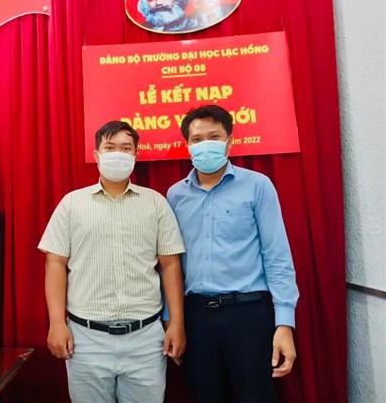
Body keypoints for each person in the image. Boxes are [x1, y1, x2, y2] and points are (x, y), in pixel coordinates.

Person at [39, 121, 186, 403]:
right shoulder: (71, 204)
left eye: (125, 148)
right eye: (109, 147)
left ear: (136, 155)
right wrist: (56, 323)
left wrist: (176, 324)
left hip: (145, 338)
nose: (117, 154)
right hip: (86, 338)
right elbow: (55, 263)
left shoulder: (156, 203)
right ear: (96, 155)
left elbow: (170, 265)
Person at [165, 105, 299, 403]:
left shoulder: (257, 186)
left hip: (248, 315)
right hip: (196, 318)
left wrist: (284, 323)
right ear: (187, 145)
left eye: (214, 137)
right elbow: (169, 263)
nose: (205, 144)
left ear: (229, 141)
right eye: (197, 139)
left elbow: (277, 257)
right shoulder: (175, 195)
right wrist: (171, 320)